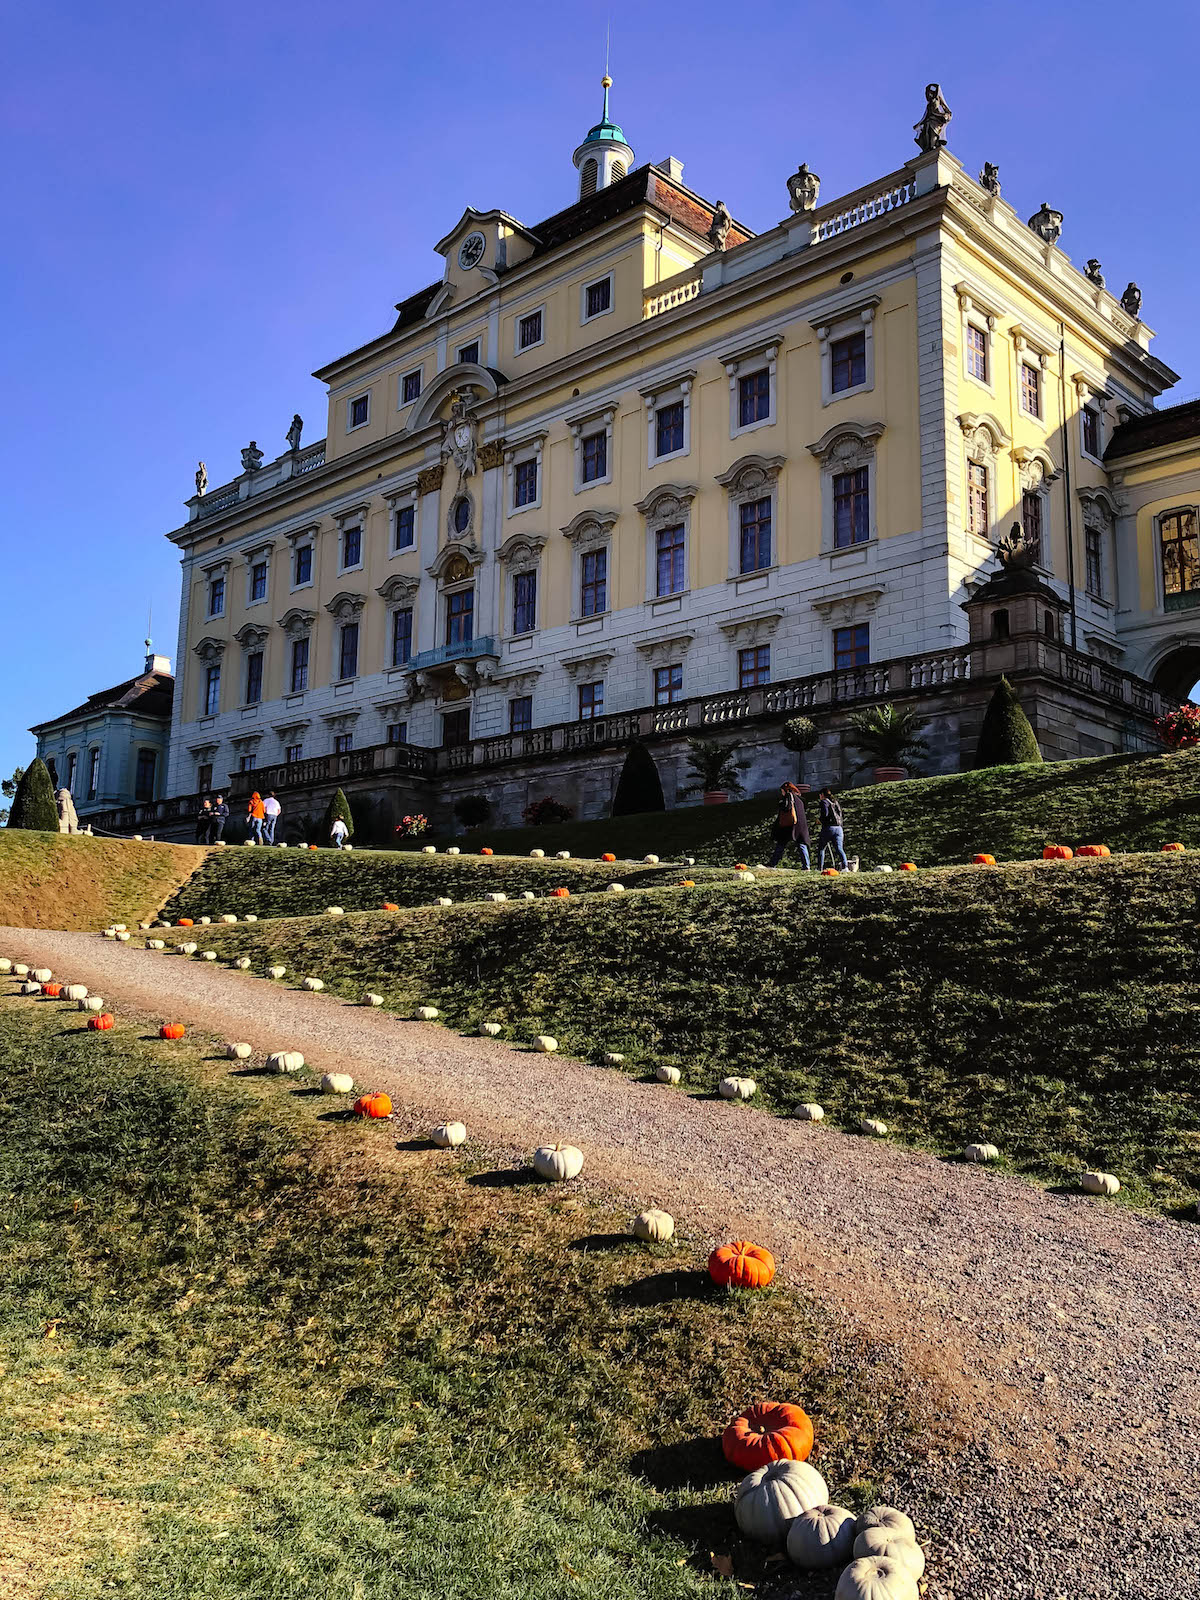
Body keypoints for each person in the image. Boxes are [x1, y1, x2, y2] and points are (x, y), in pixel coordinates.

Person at [767, 782, 810, 869]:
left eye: (782, 791)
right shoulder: (799, 798)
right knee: (801, 844)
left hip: (789, 824)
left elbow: (786, 807)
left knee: (781, 843)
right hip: (800, 825)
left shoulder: (788, 796)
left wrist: (780, 804)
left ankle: (772, 863)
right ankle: (806, 866)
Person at [816, 787, 848, 871]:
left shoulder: (824, 802)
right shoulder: (835, 802)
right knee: (839, 848)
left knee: (821, 848)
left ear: (822, 795)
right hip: (839, 828)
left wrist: (820, 820)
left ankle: (820, 868)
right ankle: (845, 867)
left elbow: (825, 814)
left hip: (829, 828)